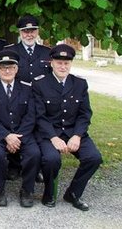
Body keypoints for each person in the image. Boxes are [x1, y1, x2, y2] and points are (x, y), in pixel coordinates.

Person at [33, 44, 102, 211]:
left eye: (66, 63)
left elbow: (85, 114)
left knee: (93, 158)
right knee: (51, 159)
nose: (63, 67)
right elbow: (39, 116)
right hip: (50, 133)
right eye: (59, 63)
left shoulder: (79, 84)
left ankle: (73, 193)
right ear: (52, 63)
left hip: (73, 132)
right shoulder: (40, 84)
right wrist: (53, 137)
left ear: (70, 64)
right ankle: (49, 192)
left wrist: (78, 135)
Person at [0, 49, 40, 208]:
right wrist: (6, 136)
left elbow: (31, 115)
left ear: (17, 69)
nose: (7, 71)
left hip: (23, 133)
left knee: (34, 153)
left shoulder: (27, 88)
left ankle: (27, 190)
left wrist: (17, 137)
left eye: (11, 67)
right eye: (2, 68)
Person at [5, 15, 51, 82]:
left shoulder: (47, 52)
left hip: (41, 92)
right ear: (19, 32)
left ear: (38, 32)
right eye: (26, 31)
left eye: (32, 31)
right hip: (18, 92)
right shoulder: (10, 51)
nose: (29, 35)